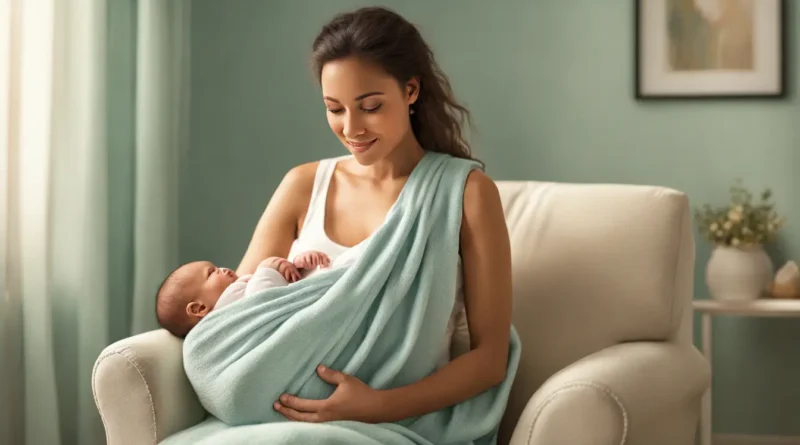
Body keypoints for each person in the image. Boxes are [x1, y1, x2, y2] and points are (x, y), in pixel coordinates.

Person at [235, 6, 513, 425]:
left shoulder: (468, 195)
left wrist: (378, 407)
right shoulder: (302, 186)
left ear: (411, 91)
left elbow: (490, 360)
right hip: (274, 416)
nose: (351, 128)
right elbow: (241, 314)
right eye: (335, 108)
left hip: (392, 423)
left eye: (370, 106)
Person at [155, 250, 330, 338]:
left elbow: (280, 293)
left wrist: (293, 267)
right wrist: (269, 266)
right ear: (199, 308)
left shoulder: (241, 291)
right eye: (211, 272)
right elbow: (261, 304)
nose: (222, 269)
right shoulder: (224, 317)